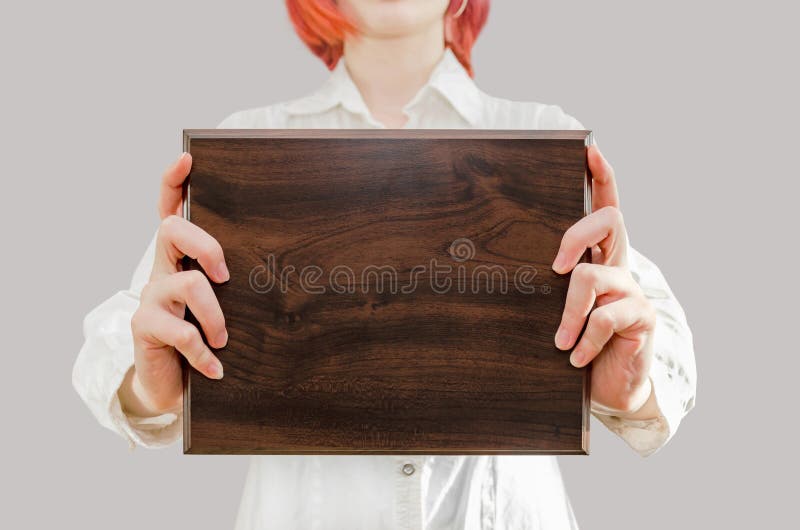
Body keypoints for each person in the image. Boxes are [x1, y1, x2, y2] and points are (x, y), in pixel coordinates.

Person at [72, 1, 697, 528]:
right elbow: (114, 357)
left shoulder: (547, 142)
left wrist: (630, 385)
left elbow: (666, 359)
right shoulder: (243, 150)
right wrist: (150, 382)